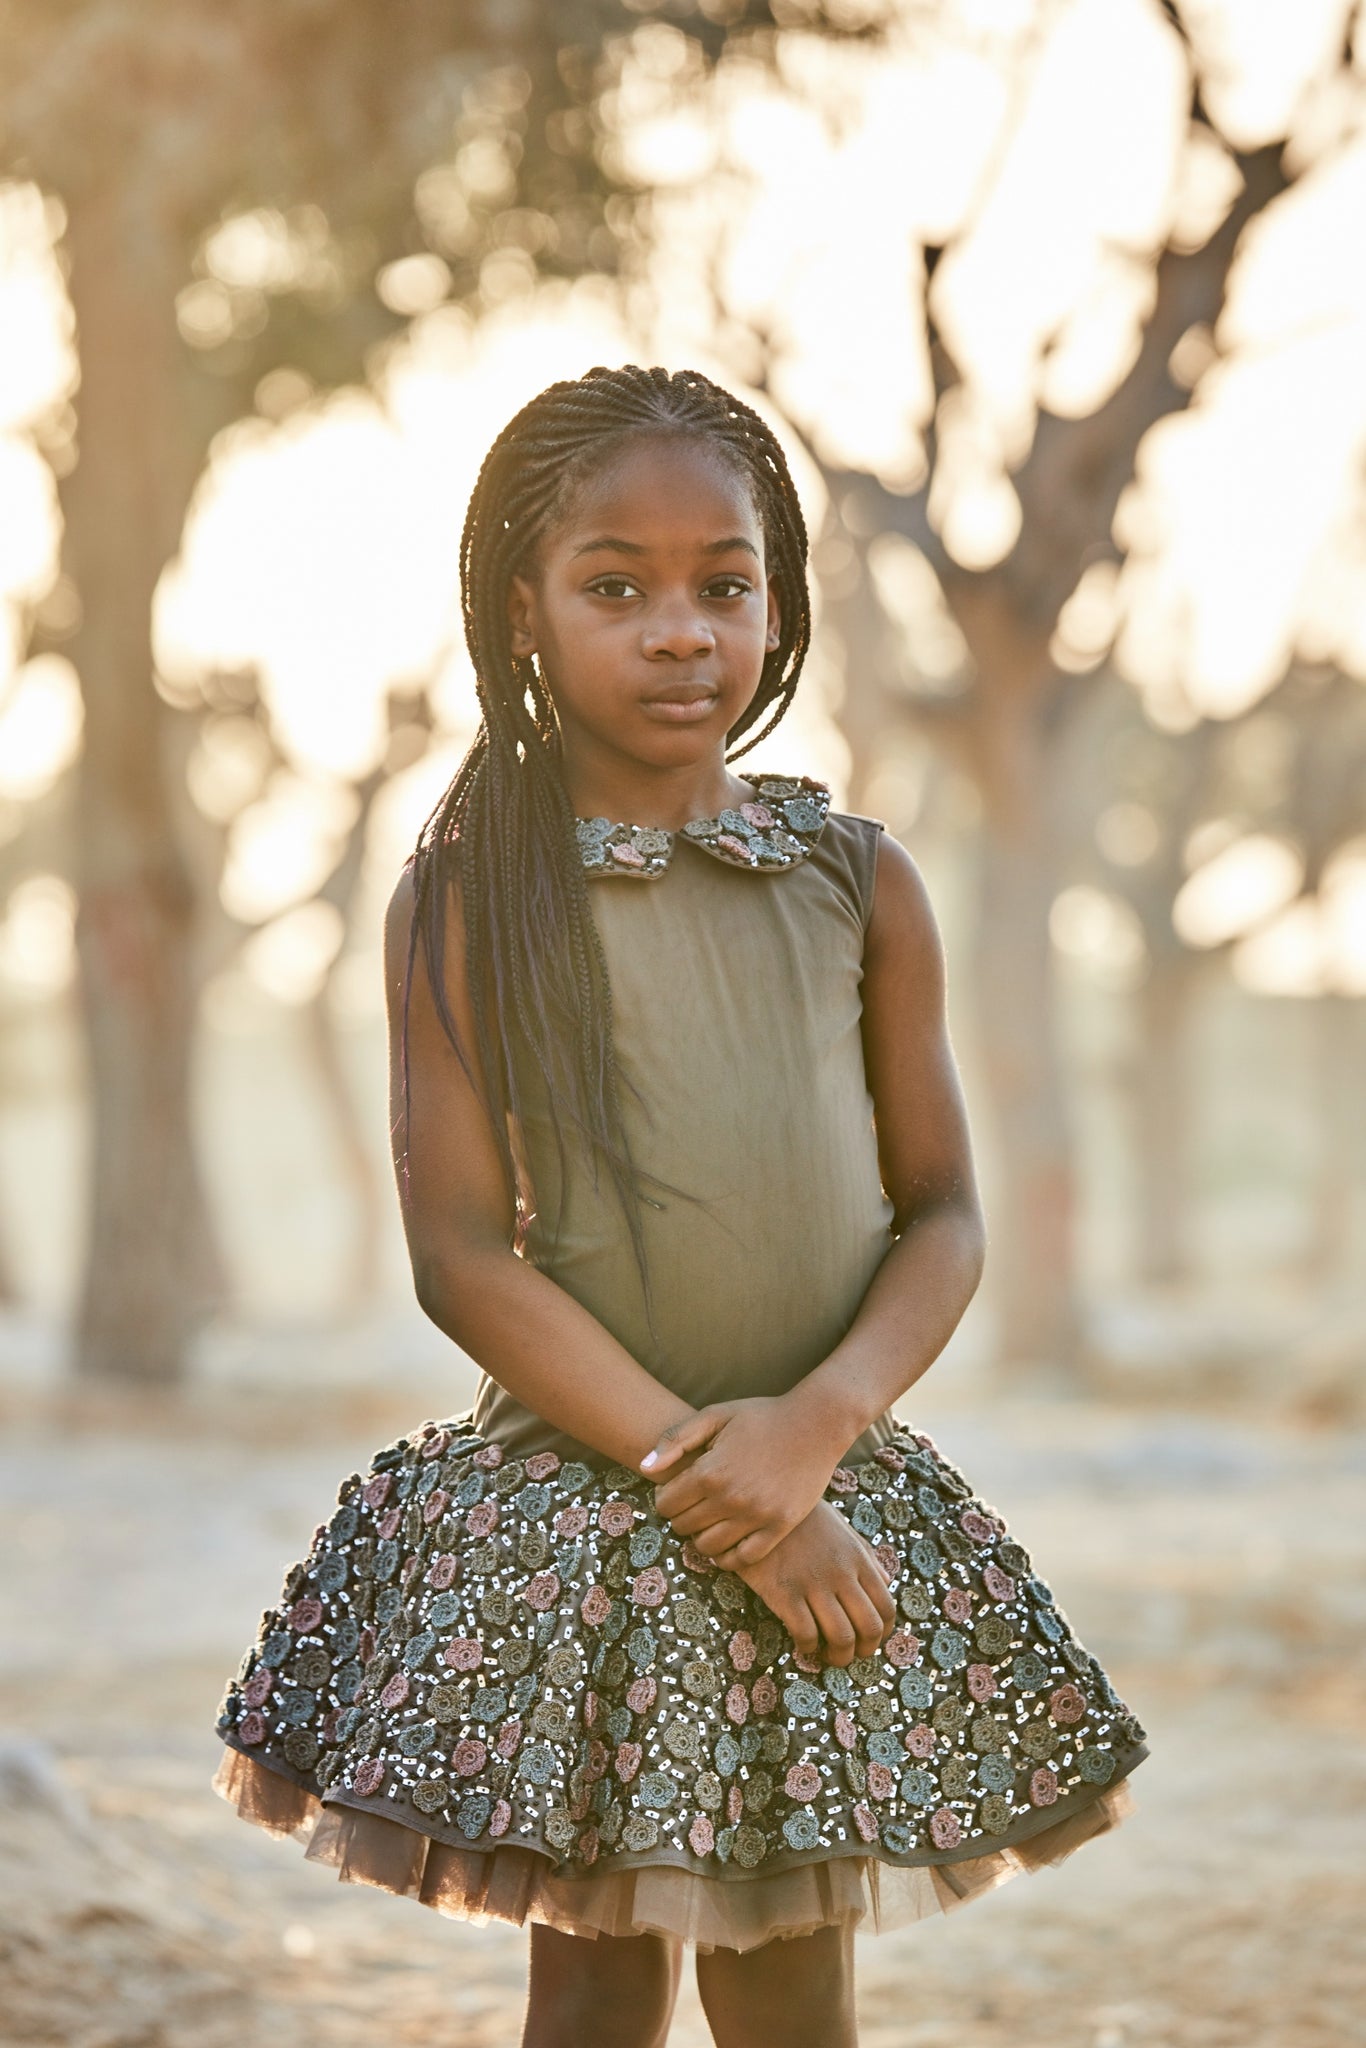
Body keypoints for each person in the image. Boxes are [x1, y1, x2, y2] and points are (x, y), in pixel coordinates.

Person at [212, 363, 1149, 2047]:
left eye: (723, 585)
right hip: (591, 1521)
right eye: (616, 587)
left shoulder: (861, 886)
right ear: (524, 608)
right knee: (590, 1976)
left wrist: (814, 1435)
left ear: (776, 601)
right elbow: (458, 1257)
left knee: (794, 1979)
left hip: (824, 1487)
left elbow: (939, 1215)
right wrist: (713, 1477)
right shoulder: (471, 897)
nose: (678, 631)